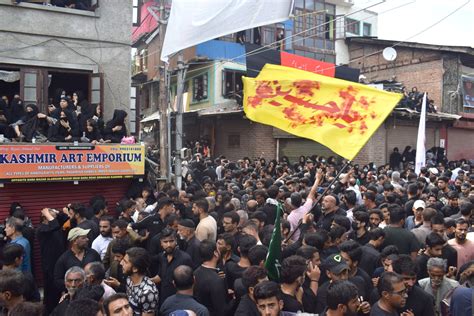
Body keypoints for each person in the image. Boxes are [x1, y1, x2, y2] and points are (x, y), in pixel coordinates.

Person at [36, 207, 68, 314]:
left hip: (59, 262)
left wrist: (57, 212)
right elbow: (54, 225)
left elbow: (65, 217)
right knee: (51, 291)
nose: (54, 217)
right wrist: (46, 212)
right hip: (50, 265)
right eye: (51, 215)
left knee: (59, 289)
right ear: (45, 218)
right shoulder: (42, 228)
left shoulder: (54, 225)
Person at [54, 227, 101, 293]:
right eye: (83, 238)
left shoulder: (93, 254)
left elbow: (101, 271)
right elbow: (58, 280)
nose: (87, 239)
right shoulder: (64, 259)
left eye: (86, 237)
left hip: (93, 292)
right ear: (75, 241)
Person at [155, 228, 193, 305]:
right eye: (165, 242)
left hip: (180, 302)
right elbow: (160, 276)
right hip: (164, 300)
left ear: (176, 241)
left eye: (171, 241)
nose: (168, 245)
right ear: (161, 243)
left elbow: (191, 284)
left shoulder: (185, 259)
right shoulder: (162, 257)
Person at [193, 240, 232, 316]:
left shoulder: (195, 272)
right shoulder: (216, 280)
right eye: (218, 249)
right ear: (215, 253)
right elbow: (222, 310)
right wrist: (234, 300)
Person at [120, 247, 159, 316]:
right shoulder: (129, 279)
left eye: (125, 262)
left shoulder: (148, 293)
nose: (121, 263)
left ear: (135, 269)